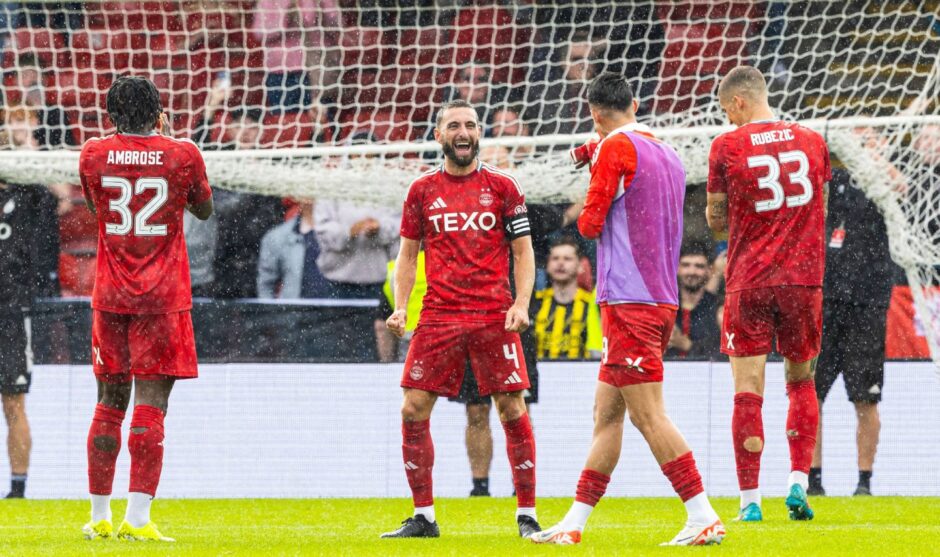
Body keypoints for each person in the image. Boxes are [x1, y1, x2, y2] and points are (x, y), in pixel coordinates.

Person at [533, 73, 723, 546]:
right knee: (607, 415)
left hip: (628, 298)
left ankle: (702, 514)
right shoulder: (667, 151)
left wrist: (591, 174)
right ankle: (573, 524)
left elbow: (592, 223)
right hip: (659, 294)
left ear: (594, 114)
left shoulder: (614, 151)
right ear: (634, 104)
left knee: (648, 416)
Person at [381, 99, 540, 539]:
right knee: (413, 408)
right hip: (439, 315)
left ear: (479, 133)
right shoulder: (421, 191)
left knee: (511, 408)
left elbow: (523, 252)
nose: (464, 132)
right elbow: (408, 255)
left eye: (470, 124)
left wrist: (521, 303)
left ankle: (526, 514)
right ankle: (424, 517)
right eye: (454, 125)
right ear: (439, 136)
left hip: (494, 314)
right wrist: (400, 305)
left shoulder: (505, 186)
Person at [78, 76, 214, 541]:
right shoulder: (183, 154)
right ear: (159, 112)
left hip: (111, 294)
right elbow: (204, 210)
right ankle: (137, 520)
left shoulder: (93, 153)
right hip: (161, 297)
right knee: (151, 406)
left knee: (108, 402)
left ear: (111, 115)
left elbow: (99, 210)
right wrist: (166, 143)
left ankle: (98, 515)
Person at [705, 66, 830, 522]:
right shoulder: (813, 141)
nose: (727, 121)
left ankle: (750, 501)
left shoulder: (727, 146)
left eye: (726, 111)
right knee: (800, 381)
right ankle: (798, 482)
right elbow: (822, 206)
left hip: (750, 279)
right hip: (803, 280)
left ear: (738, 101)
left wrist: (750, 217)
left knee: (748, 390)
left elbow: (717, 220)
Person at [810, 165, 896, 497]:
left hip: (868, 302)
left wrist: (882, 165)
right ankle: (813, 480)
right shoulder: (827, 175)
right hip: (825, 299)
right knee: (812, 396)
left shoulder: (883, 176)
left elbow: (902, 193)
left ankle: (864, 483)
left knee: (865, 398)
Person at [0, 180, 60, 498]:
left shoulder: (29, 195)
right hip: (11, 310)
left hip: (10, 311)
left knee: (13, 403)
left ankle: (17, 489)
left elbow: (61, 197)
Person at [532, 236, 602, 360]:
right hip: (540, 375)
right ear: (547, 265)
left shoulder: (592, 304)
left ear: (581, 266)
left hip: (582, 375)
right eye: (555, 258)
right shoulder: (535, 302)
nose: (560, 263)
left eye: (567, 259)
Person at [665, 242, 722, 360]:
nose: (692, 272)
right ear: (677, 268)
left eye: (699, 266)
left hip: (708, 377)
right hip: (665, 376)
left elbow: (725, 358)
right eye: (686, 265)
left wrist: (687, 345)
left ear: (710, 270)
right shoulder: (665, 307)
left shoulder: (720, 310)